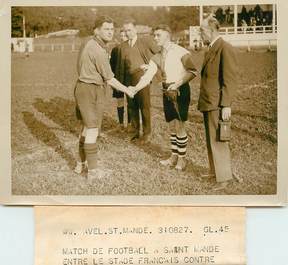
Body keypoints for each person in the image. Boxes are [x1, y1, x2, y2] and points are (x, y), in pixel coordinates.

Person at [73, 16, 134, 180]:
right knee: (92, 129)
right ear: (96, 30)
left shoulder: (89, 43)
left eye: (112, 29)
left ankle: (80, 165)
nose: (110, 32)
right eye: (106, 29)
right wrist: (128, 90)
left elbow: (79, 66)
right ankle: (93, 172)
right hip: (90, 89)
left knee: (87, 128)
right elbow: (110, 79)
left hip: (83, 87)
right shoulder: (98, 50)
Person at [130, 24, 197, 170]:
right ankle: (173, 156)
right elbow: (147, 77)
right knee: (171, 126)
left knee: (179, 126)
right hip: (167, 91)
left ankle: (182, 159)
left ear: (167, 35)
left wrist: (178, 83)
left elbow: (192, 71)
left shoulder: (181, 52)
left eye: (158, 35)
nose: (155, 38)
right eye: (154, 35)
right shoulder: (157, 56)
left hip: (180, 91)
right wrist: (134, 89)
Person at [198, 16, 237, 190]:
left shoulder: (224, 48)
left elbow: (229, 78)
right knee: (210, 139)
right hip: (208, 102)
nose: (200, 34)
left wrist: (226, 104)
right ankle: (215, 172)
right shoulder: (211, 48)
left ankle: (224, 178)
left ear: (211, 30)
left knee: (218, 140)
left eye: (202, 30)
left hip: (217, 103)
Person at [120, 19, 160, 144]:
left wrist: (150, 66)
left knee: (144, 106)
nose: (127, 33)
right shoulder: (124, 45)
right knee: (132, 106)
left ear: (135, 29)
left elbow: (159, 53)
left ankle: (147, 133)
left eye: (130, 30)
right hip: (128, 79)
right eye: (125, 31)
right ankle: (135, 131)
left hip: (142, 78)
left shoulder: (145, 41)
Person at [110, 28, 131, 131]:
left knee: (130, 102)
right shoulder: (115, 50)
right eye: (121, 36)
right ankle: (121, 124)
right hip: (118, 79)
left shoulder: (132, 49)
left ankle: (131, 123)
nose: (123, 38)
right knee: (120, 101)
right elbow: (111, 66)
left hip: (129, 80)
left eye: (125, 36)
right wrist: (112, 80)